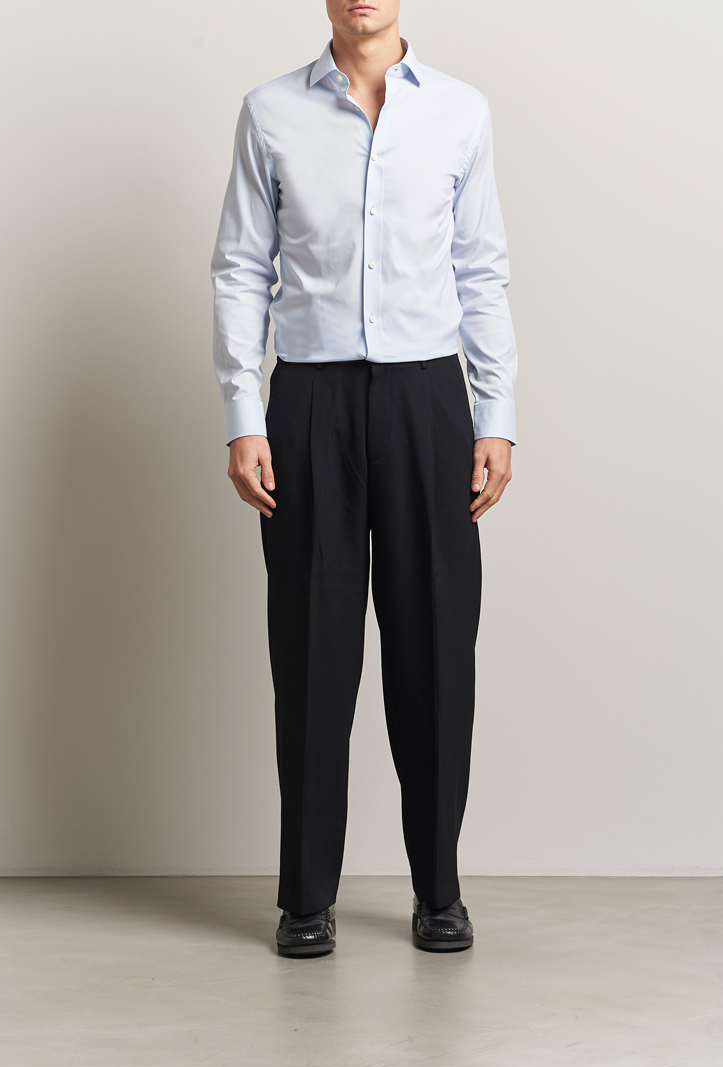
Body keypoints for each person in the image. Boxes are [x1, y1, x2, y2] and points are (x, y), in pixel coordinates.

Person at [210, 0, 516, 957]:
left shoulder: (461, 112)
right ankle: (306, 897)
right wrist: (245, 413)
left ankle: (439, 890)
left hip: (430, 400)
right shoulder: (269, 112)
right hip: (311, 402)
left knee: (436, 646)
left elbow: (481, 269)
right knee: (311, 649)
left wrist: (495, 415)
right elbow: (240, 267)